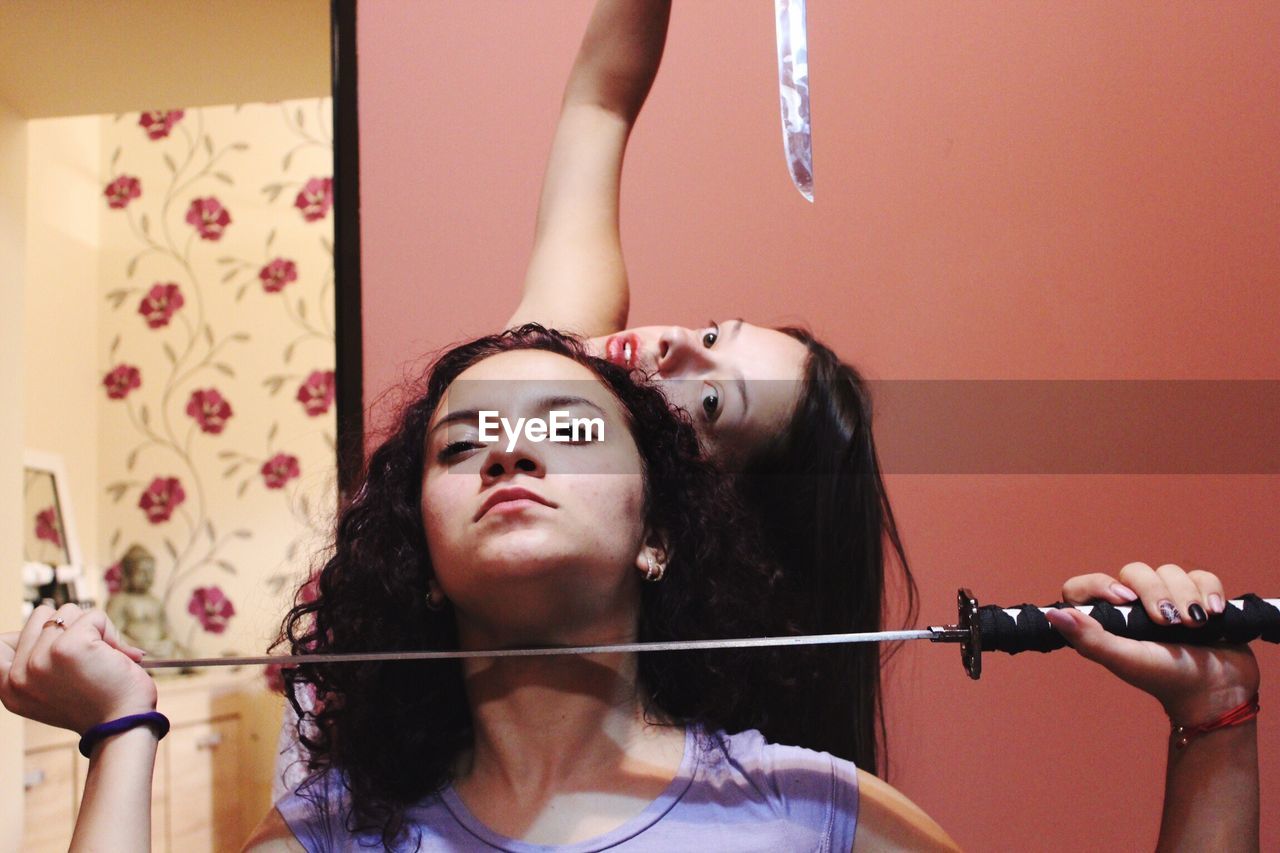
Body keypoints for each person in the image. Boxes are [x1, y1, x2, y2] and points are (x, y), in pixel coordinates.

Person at [1, 327, 1261, 851]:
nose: (507, 447)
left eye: (567, 430)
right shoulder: (336, 831)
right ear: (420, 558)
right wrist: (117, 728)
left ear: (657, 538)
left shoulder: (809, 811)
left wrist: (1213, 731)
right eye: (461, 441)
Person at [505, 0, 909, 769]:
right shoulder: (557, 344)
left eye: (712, 402)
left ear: (699, 516)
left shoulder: (572, 563)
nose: (672, 345)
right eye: (714, 334)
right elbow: (602, 97)